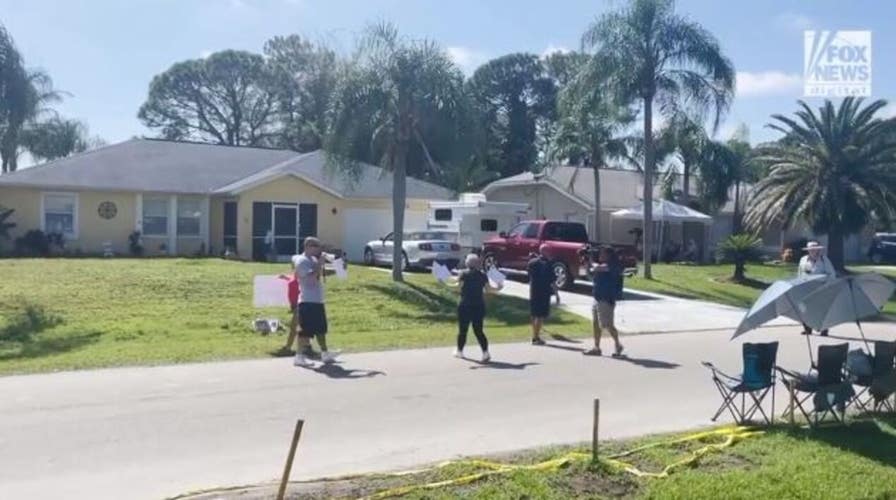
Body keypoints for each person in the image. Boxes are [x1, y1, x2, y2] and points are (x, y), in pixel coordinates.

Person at [448, 254, 501, 362]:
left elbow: (458, 287)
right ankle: (485, 352)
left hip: (465, 305)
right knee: (479, 330)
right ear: (477, 263)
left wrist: (445, 284)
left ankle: (459, 351)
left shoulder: (463, 273)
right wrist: (499, 287)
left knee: (463, 330)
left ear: (468, 263)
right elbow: (489, 289)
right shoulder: (482, 275)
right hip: (479, 305)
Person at [294, 237, 337, 366]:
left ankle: (325, 354)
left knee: (320, 329)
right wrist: (321, 261)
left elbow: (321, 272)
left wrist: (338, 269)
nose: (319, 249)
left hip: (317, 301)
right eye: (316, 246)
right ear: (308, 247)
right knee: (305, 331)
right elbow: (311, 277)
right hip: (307, 301)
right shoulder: (301, 261)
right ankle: (299, 357)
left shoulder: (312, 259)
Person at [584, 246, 624, 357]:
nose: (600, 255)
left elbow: (598, 268)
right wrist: (587, 263)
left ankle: (618, 344)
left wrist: (591, 260)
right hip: (597, 298)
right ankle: (596, 347)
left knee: (608, 325)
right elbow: (590, 276)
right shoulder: (601, 266)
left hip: (606, 299)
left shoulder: (613, 265)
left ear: (608, 255)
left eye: (602, 253)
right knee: (596, 324)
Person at [797, 241, 836, 336]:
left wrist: (820, 278)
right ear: (808, 251)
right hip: (806, 288)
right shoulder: (803, 259)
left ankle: (824, 329)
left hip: (821, 288)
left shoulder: (824, 260)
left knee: (822, 310)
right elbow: (799, 273)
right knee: (806, 309)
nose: (814, 251)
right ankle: (807, 329)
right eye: (811, 250)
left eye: (815, 249)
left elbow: (832, 275)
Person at [527, 244, 558, 345]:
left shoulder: (532, 262)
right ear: (545, 252)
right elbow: (552, 281)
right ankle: (536, 338)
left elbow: (529, 275)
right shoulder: (548, 264)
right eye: (548, 251)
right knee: (540, 316)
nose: (550, 253)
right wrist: (557, 294)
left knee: (534, 313)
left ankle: (534, 334)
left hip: (534, 290)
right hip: (544, 292)